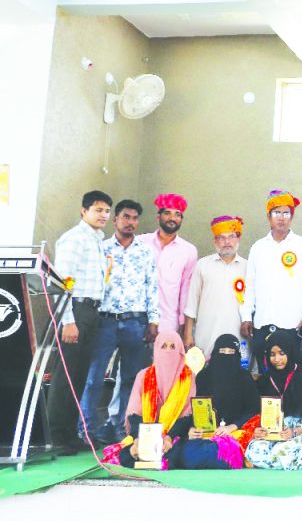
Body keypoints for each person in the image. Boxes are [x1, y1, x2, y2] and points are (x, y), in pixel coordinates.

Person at [82, 199, 159, 444]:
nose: (130, 222)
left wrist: (153, 321)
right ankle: (86, 430)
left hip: (135, 322)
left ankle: (122, 428)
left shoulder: (145, 252)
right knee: (94, 377)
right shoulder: (102, 248)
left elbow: (152, 287)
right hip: (105, 321)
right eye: (126, 217)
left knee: (130, 378)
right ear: (115, 219)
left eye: (135, 218)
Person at [48, 190, 112, 454]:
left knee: (79, 375)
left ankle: (69, 434)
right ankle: (55, 436)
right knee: (66, 375)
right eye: (98, 210)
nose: (103, 215)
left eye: (107, 211)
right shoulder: (74, 239)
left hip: (91, 312)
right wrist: (68, 321)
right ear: (83, 211)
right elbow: (63, 283)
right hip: (75, 310)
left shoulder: (96, 240)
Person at [240, 190, 302, 367]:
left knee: (291, 374)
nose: (281, 218)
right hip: (262, 323)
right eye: (276, 213)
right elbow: (250, 285)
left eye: (286, 213)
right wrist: (246, 316)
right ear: (269, 216)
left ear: (291, 217)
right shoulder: (258, 247)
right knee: (265, 375)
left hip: (292, 324)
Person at [102, 331, 195, 469]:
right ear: (156, 350)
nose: (168, 351)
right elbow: (135, 413)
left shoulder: (188, 377)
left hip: (175, 435)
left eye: (172, 347)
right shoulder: (144, 376)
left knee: (180, 454)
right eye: (163, 346)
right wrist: (138, 439)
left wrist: (169, 438)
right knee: (126, 455)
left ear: (180, 351)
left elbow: (187, 415)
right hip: (145, 433)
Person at [177, 334, 261, 469]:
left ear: (237, 355)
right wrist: (193, 429)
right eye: (222, 351)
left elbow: (253, 409)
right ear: (215, 353)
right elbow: (194, 408)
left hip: (235, 433)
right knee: (188, 454)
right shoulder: (203, 377)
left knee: (222, 452)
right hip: (206, 434)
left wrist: (232, 426)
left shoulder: (244, 377)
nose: (226, 356)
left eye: (231, 352)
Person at [246, 329, 302, 470]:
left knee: (280, 451)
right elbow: (257, 413)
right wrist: (258, 430)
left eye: (282, 353)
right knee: (255, 450)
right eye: (272, 354)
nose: (277, 359)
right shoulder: (265, 380)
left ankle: (282, 460)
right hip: (272, 432)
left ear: (290, 352)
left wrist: (295, 431)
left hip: (300, 432)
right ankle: (279, 462)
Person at [183, 216, 247, 357]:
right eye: (222, 237)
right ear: (215, 241)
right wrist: (187, 334)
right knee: (205, 367)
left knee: (237, 367)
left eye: (231, 237)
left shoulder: (247, 267)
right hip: (206, 334)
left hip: (238, 334)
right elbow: (192, 302)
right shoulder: (202, 265)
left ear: (238, 239)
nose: (227, 242)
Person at [138, 193, 198, 335]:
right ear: (158, 217)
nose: (172, 218)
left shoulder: (188, 250)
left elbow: (186, 289)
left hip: (168, 323)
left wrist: (183, 323)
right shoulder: (140, 243)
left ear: (181, 219)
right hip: (137, 320)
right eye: (167, 213)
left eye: (177, 214)